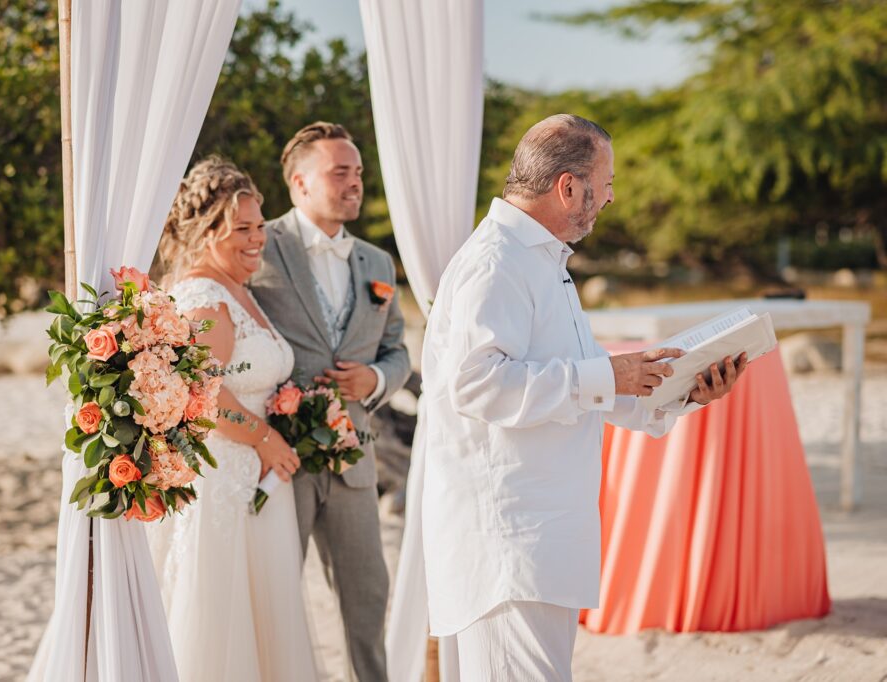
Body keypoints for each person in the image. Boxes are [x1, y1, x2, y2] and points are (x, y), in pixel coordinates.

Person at [421, 114, 747, 681]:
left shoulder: (542, 261)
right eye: (608, 181)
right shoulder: (497, 262)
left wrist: (685, 391)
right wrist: (605, 377)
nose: (613, 197)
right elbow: (476, 384)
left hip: (545, 538)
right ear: (568, 186)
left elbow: (591, 384)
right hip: (508, 544)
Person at [250, 122, 411, 682]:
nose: (355, 183)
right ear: (299, 183)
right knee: (272, 598)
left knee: (367, 599)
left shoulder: (378, 265)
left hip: (354, 460)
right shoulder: (258, 245)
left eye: (359, 172)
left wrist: (374, 379)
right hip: (276, 459)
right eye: (340, 172)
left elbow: (398, 353)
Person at [149, 156, 318, 682]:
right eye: (240, 228)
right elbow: (203, 394)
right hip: (226, 477)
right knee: (221, 620)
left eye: (259, 226)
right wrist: (267, 439)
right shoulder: (204, 297)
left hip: (255, 478)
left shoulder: (236, 290)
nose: (257, 239)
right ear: (205, 232)